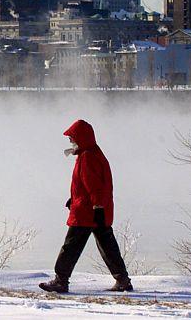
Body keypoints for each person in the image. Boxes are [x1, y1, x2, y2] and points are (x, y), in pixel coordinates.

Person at [39, 119, 133, 293]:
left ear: (81, 138)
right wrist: (74, 199)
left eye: (72, 137)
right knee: (108, 247)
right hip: (95, 210)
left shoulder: (87, 157)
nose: (70, 141)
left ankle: (61, 281)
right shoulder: (92, 153)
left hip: (87, 213)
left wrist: (96, 207)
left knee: (70, 247)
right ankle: (123, 280)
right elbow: (89, 185)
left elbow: (95, 186)